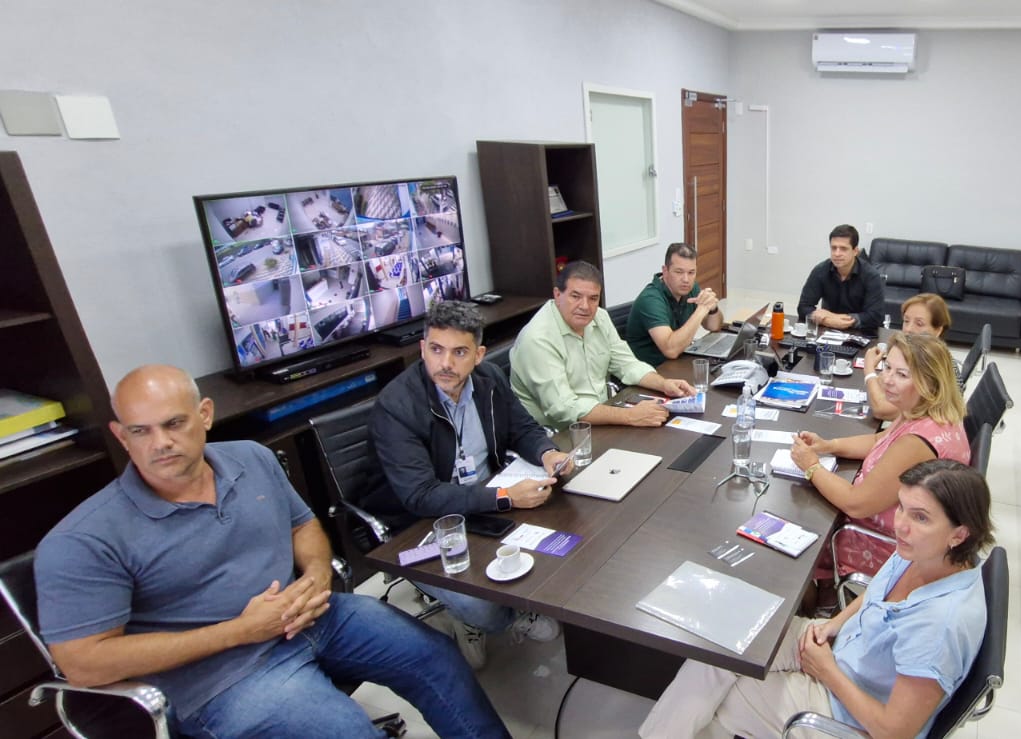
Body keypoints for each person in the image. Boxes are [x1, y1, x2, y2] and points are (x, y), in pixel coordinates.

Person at [34, 365, 508, 739]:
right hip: (220, 677)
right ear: (121, 436)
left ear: (204, 415)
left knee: (435, 656)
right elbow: (83, 662)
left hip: (312, 618)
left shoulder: (252, 458)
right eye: (140, 432)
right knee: (346, 729)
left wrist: (317, 575)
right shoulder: (84, 539)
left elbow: (303, 525)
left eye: (174, 423)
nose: (161, 443)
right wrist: (239, 631)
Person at [639, 459, 993, 739]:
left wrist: (827, 672)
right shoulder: (927, 552)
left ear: (959, 533)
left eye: (920, 517)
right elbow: (877, 593)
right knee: (724, 640)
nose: (900, 525)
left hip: (844, 711)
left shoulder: (939, 626)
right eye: (901, 507)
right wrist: (833, 625)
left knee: (716, 698)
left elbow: (893, 732)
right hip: (842, 651)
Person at [366, 300, 568, 668]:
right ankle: (474, 619)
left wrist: (547, 453)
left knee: (568, 530)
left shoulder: (489, 380)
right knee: (482, 607)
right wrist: (505, 497)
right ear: (422, 349)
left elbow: (522, 428)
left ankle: (517, 604)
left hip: (484, 499)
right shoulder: (397, 406)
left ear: (478, 355)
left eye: (459, 352)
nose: (445, 363)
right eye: (436, 349)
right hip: (423, 524)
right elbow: (421, 495)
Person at [790, 333, 969, 583]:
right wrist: (829, 445)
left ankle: (817, 597)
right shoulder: (922, 410)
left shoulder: (917, 442)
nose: (886, 379)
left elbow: (856, 504)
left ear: (930, 384)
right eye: (887, 368)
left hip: (890, 550)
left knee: (794, 547)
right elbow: (879, 440)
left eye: (901, 374)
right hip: (908, 537)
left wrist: (811, 467)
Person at [510, 260, 696, 430]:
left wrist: (663, 384)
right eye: (576, 296)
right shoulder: (538, 339)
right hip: (560, 434)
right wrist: (630, 416)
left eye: (593, 298)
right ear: (557, 295)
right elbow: (564, 408)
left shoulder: (599, 317)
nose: (585, 306)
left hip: (602, 416)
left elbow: (627, 364)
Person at [862, 293, 963, 420]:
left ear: (938, 330)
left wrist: (869, 370)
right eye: (906, 321)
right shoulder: (922, 354)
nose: (908, 329)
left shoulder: (932, 367)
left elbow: (882, 411)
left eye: (919, 324)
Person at [626, 241, 723, 365]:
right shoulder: (650, 299)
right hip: (653, 369)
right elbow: (671, 350)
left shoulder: (690, 288)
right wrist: (701, 310)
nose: (686, 279)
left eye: (691, 272)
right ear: (665, 271)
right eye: (679, 272)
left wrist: (712, 308)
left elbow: (714, 326)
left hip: (677, 361)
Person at [798, 224, 885, 332]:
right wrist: (829, 321)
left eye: (843, 249)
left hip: (860, 332)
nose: (837, 254)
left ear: (855, 251)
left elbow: (875, 316)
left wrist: (832, 317)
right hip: (827, 329)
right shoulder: (820, 270)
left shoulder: (871, 275)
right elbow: (803, 307)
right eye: (833, 248)